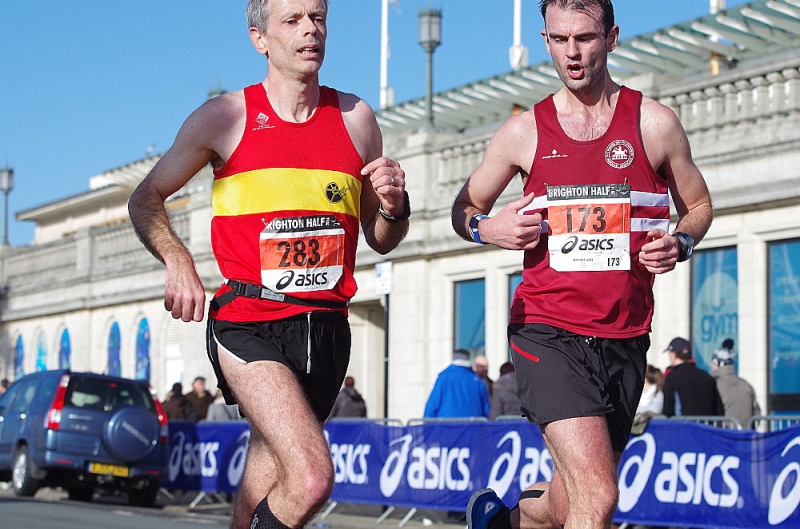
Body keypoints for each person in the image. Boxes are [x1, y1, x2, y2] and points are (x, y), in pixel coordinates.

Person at [127, 1, 409, 527]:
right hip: (250, 319)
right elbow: (146, 196)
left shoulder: (356, 118)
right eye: (292, 20)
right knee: (311, 477)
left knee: (269, 475)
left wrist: (395, 206)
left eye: (318, 17)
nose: (310, 30)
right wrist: (178, 259)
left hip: (326, 328)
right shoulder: (225, 116)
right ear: (259, 39)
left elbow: (381, 238)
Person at [451, 1, 713, 527]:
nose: (572, 52)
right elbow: (466, 208)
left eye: (585, 38)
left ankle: (500, 521)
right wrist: (488, 229)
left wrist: (681, 243)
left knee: (570, 502)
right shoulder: (524, 131)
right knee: (598, 496)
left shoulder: (655, 124)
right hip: (547, 330)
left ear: (611, 38)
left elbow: (700, 206)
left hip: (625, 335)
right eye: (560, 39)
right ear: (545, 40)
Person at [662, 337, 724, 418]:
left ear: (673, 355)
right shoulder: (706, 377)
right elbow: (719, 410)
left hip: (682, 425)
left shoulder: (672, 378)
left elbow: (668, 410)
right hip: (706, 425)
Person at [423, 349, 490, 419]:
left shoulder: (444, 378)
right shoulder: (477, 381)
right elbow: (486, 409)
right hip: (472, 424)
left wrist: (427, 423)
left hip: (446, 424)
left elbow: (433, 405)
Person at [711, 338, 761, 429]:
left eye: (713, 363)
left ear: (717, 364)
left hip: (723, 434)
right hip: (745, 434)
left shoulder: (714, 385)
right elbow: (757, 413)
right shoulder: (746, 385)